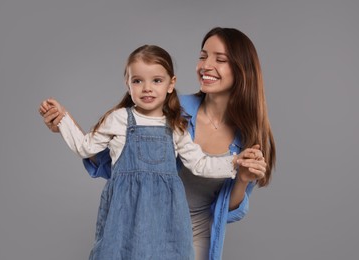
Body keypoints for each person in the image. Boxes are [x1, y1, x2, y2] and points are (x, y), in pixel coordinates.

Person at [39, 44, 265, 260]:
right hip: (124, 214)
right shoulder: (118, 119)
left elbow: (200, 164)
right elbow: (85, 147)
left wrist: (235, 161)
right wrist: (63, 120)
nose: (147, 88)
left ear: (170, 84)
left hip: (166, 219)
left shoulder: (176, 126)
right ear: (128, 84)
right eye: (137, 81)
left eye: (156, 80)